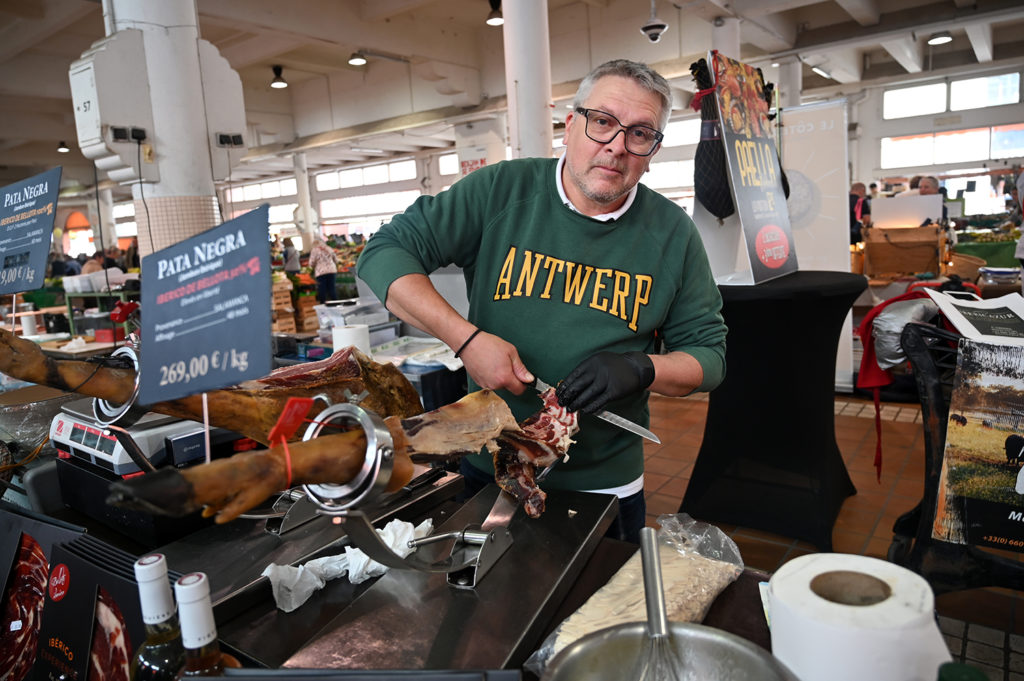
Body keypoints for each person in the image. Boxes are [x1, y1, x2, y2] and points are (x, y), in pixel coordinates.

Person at [356, 59, 727, 544]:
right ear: (571, 124)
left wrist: (642, 369)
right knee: (486, 611)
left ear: (652, 151)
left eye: (640, 134)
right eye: (602, 122)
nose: (616, 146)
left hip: (605, 484)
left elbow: (710, 358)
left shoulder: (672, 233)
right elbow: (384, 255)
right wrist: (465, 339)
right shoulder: (501, 192)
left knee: (596, 612)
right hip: (488, 470)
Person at [308, 237, 338, 303]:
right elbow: (336, 259)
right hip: (331, 270)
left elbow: (311, 262)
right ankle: (336, 303)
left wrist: (312, 266)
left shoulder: (315, 250)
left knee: (322, 289)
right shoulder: (329, 248)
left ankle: (323, 304)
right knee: (332, 288)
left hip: (321, 272)